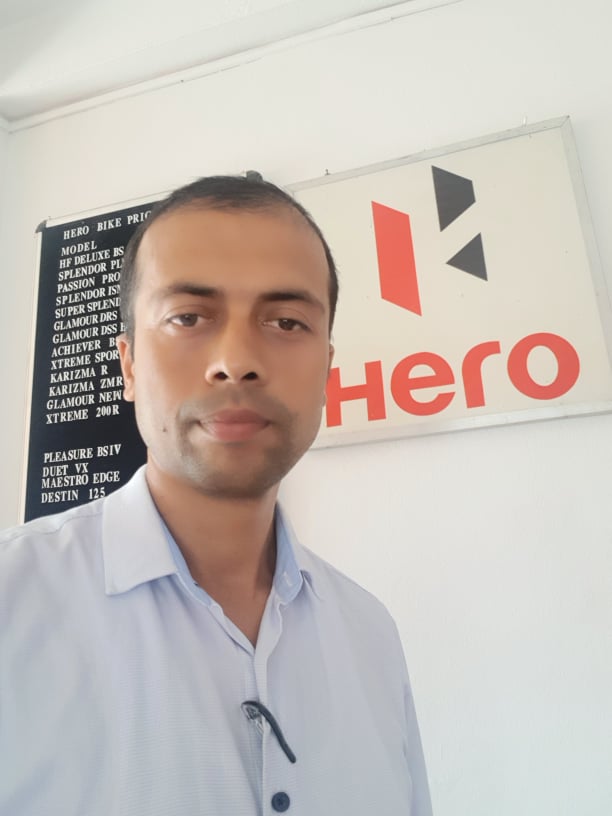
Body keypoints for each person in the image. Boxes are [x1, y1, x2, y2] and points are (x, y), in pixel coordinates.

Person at [0, 175, 432, 815]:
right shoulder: (14, 600)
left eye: (286, 321)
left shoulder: (369, 634)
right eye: (188, 318)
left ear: (326, 370)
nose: (236, 360)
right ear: (128, 364)